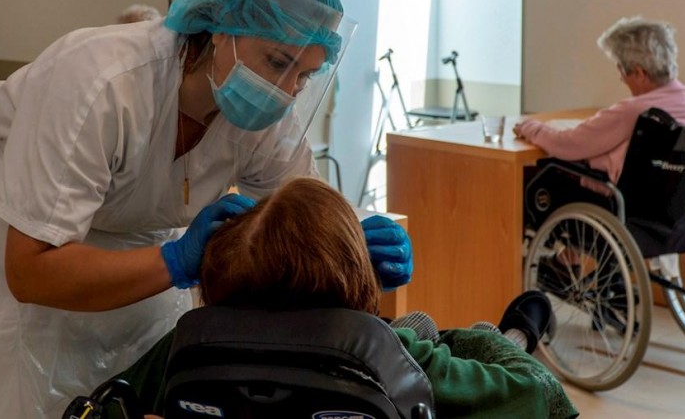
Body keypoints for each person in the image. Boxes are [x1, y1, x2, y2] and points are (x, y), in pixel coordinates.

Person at [0, 0, 412, 418]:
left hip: (136, 261)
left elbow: (307, 209)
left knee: (141, 397)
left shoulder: (267, 119)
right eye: (278, 62)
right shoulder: (101, 83)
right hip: (3, 265)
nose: (286, 90)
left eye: (304, 76)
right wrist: (175, 260)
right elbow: (30, 272)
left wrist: (355, 242)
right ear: (223, 26)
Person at [110, 177, 577, 419]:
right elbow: (540, 397)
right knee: (439, 330)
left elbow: (104, 405)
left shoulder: (185, 348)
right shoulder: (390, 356)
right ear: (355, 279)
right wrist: (478, 343)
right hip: (411, 345)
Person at [514, 16, 685, 281]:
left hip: (629, 211)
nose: (621, 78)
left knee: (538, 179)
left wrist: (529, 127)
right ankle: (567, 260)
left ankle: (553, 266)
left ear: (639, 72)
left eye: (622, 70)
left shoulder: (635, 111)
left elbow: (567, 145)